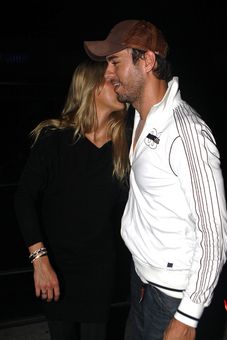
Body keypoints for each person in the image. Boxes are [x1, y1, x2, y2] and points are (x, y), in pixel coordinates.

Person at [84, 20, 227, 340]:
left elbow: (216, 234)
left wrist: (187, 315)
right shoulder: (141, 116)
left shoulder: (186, 133)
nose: (108, 74)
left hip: (172, 299)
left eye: (115, 62)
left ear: (147, 61)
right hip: (142, 284)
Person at [14, 59, 130, 340]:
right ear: (92, 88)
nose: (117, 82)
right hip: (55, 267)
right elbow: (23, 198)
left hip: (100, 271)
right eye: (109, 79)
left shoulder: (124, 147)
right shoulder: (53, 139)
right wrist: (39, 261)